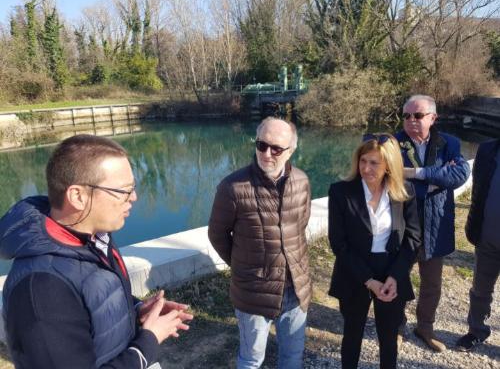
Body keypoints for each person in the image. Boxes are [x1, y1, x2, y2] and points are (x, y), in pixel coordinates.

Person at [0, 134, 193, 369]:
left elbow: (91, 298)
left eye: (133, 188)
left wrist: (134, 309)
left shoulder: (92, 237)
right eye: (123, 190)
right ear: (78, 196)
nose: (133, 197)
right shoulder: (41, 289)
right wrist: (148, 342)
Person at [208, 117, 312, 369]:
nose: (266, 153)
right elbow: (218, 234)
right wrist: (244, 267)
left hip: (295, 289)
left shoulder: (301, 181)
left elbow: (301, 225)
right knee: (252, 359)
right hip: (253, 292)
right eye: (261, 144)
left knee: (292, 357)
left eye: (276, 148)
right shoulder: (232, 187)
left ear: (291, 150)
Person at [328, 133, 421, 369]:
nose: (366, 168)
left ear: (389, 164)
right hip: (354, 270)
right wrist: (369, 280)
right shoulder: (341, 192)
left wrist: (394, 276)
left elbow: (413, 237)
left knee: (389, 338)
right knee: (352, 334)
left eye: (374, 163)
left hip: (391, 270)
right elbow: (338, 243)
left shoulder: (404, 192)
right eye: (363, 161)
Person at [395, 94, 470, 352]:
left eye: (417, 115)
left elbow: (459, 175)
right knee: (398, 279)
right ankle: (396, 326)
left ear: (433, 118)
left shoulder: (449, 143)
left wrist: (417, 174)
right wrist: (438, 178)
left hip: (435, 227)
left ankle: (425, 327)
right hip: (402, 225)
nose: (411, 121)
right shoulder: (393, 143)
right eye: (406, 116)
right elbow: (385, 176)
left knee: (432, 284)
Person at [456, 138, 500, 351]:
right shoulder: (488, 149)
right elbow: (478, 192)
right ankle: (476, 331)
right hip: (487, 236)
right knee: (480, 290)